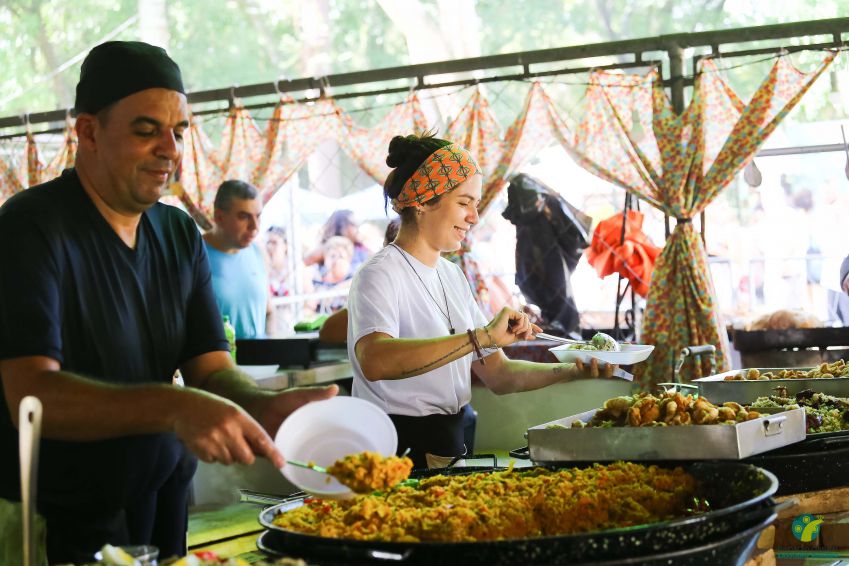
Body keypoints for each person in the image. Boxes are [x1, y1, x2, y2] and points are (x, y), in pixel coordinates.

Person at [0, 41, 336, 563]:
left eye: (178, 131)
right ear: (88, 131)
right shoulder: (30, 227)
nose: (171, 148)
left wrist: (259, 404)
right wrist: (176, 406)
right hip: (57, 515)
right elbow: (32, 398)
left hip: (158, 498)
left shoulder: (178, 232)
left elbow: (210, 368)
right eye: (146, 130)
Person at [347, 133, 614, 469]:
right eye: (464, 203)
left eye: (475, 204)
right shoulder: (380, 274)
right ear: (423, 201)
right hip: (396, 449)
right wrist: (482, 337)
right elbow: (374, 361)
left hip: (449, 441)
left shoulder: (451, 275)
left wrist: (574, 370)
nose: (474, 216)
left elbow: (499, 374)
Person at [203, 180, 271, 339]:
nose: (254, 226)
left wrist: (271, 346)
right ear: (219, 217)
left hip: (260, 352)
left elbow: (269, 311)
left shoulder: (257, 252)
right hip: (218, 354)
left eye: (258, 217)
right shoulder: (194, 255)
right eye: (244, 217)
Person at [303, 209, 371, 273]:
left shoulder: (361, 248)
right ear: (341, 226)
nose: (357, 227)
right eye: (353, 224)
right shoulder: (327, 248)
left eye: (357, 223)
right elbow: (302, 264)